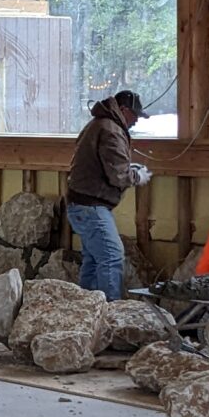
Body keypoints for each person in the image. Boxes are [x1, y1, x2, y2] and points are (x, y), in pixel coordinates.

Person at [63, 88, 150, 300]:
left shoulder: (99, 124)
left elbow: (108, 164)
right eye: (135, 115)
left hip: (80, 203)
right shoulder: (111, 130)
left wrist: (130, 168)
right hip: (91, 206)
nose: (136, 121)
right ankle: (111, 314)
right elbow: (118, 176)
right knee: (111, 257)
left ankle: (86, 310)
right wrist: (138, 177)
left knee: (93, 260)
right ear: (122, 109)